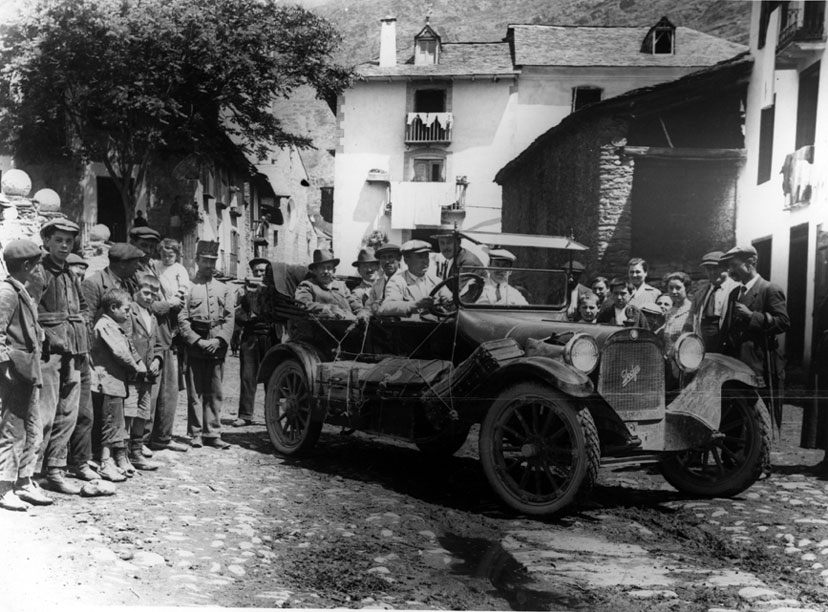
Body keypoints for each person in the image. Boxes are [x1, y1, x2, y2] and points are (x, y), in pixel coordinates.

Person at [27, 218, 90, 496]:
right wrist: (47, 336)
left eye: (69, 241)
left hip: (74, 353)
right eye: (59, 240)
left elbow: (85, 308)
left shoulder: (70, 274)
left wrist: (80, 330)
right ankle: (27, 474)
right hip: (48, 354)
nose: (65, 245)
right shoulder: (39, 272)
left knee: (68, 414)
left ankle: (55, 469)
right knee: (45, 414)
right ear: (47, 242)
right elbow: (28, 310)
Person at [0, 240, 53, 510]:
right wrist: (6, 367)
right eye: (37, 265)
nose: (39, 271)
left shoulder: (23, 292)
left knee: (32, 427)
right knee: (12, 430)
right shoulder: (7, 293)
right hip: (14, 372)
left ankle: (23, 480)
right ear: (26, 266)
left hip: (27, 370)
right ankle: (4, 485)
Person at [720, 245, 790, 434]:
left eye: (734, 265)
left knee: (757, 415)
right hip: (735, 364)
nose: (730, 271)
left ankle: (759, 460)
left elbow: (783, 322)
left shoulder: (770, 289)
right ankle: (733, 459)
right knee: (734, 412)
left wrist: (752, 316)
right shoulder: (735, 293)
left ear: (750, 262)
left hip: (758, 363)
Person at [178, 241, 236, 449]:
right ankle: (195, 433)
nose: (209, 266)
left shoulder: (224, 288)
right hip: (195, 345)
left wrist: (218, 340)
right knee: (195, 392)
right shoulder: (188, 287)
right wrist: (196, 340)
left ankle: (212, 432)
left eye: (212, 262)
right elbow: (182, 317)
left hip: (216, 345)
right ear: (197, 261)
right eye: (205, 261)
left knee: (214, 391)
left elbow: (230, 317)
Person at [89, 288, 146, 481]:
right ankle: (106, 462)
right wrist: (136, 368)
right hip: (108, 382)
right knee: (110, 423)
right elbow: (120, 351)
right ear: (113, 308)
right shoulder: (106, 325)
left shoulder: (112, 324)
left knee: (113, 422)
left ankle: (110, 460)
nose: (129, 314)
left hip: (115, 382)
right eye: (126, 309)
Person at [145, 237, 189, 454]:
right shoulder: (153, 267)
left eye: (171, 254)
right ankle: (144, 438)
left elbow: (183, 291)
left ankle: (163, 436)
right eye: (164, 253)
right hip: (157, 327)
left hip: (172, 323)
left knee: (170, 388)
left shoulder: (180, 269)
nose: (167, 257)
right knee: (153, 389)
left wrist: (176, 301)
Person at [124, 275, 163, 471]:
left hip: (148, 374)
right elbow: (126, 341)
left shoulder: (152, 317)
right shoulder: (129, 312)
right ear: (136, 292)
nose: (149, 298)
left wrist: (157, 359)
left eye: (153, 295)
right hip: (131, 373)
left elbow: (156, 344)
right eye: (146, 293)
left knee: (142, 413)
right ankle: (122, 454)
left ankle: (137, 452)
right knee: (128, 413)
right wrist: (137, 362)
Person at [233, 256, 272, 427]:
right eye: (256, 271)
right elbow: (233, 311)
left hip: (270, 336)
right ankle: (245, 415)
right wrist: (246, 317)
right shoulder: (243, 290)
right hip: (250, 336)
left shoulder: (274, 289)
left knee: (271, 378)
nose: (259, 273)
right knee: (248, 376)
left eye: (262, 271)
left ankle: (271, 416)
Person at [684, 251, 737, 353]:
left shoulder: (736, 290)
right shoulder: (700, 293)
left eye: (716, 268)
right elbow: (691, 319)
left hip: (727, 345)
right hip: (704, 344)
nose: (712, 272)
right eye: (708, 269)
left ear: (727, 268)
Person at [378, 240, 446, 317]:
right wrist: (415, 304)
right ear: (406, 260)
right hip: (411, 327)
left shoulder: (436, 281)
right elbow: (386, 307)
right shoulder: (397, 281)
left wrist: (448, 302)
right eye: (420, 257)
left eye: (426, 256)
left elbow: (450, 301)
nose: (425, 261)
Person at [295, 249, 368, 320]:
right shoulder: (307, 285)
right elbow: (302, 304)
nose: (326, 271)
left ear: (334, 270)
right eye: (322, 268)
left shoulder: (341, 285)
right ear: (314, 271)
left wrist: (361, 311)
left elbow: (353, 303)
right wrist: (326, 308)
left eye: (329, 267)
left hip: (351, 323)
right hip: (327, 326)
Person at [660, 272, 693, 355]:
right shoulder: (669, 312)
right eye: (671, 288)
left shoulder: (692, 310)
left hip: (685, 357)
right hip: (668, 359)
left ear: (687, 288)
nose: (674, 291)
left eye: (678, 288)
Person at [365, 243, 402, 312]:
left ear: (399, 259)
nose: (387, 261)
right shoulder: (377, 283)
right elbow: (368, 305)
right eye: (383, 258)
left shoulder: (406, 280)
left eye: (391, 257)